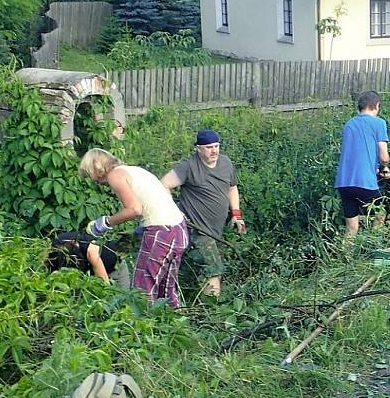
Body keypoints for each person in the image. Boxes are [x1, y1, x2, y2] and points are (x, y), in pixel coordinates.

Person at [79, 148, 189, 308]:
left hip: (161, 233)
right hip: (178, 230)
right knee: (165, 292)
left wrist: (105, 223)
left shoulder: (115, 176)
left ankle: (142, 329)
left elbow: (134, 209)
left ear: (96, 168)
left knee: (141, 289)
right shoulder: (131, 170)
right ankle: (175, 327)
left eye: (90, 174)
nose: (93, 180)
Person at [161, 129, 245, 298]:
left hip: (216, 230)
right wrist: (174, 213)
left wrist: (236, 215)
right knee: (214, 268)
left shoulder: (226, 163)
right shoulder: (189, 166)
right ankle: (213, 312)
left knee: (196, 268)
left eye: (216, 146)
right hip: (198, 229)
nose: (214, 151)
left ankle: (181, 298)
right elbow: (163, 184)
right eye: (208, 147)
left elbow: (232, 187)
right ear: (198, 149)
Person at [334, 90, 390, 237]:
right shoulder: (379, 123)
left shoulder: (349, 125)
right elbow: (384, 157)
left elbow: (358, 153)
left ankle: (345, 257)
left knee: (352, 228)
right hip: (364, 182)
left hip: (344, 183)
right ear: (376, 106)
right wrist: (384, 167)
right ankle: (375, 246)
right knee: (381, 213)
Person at [46, 231, 130, 288]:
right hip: (90, 272)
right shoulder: (55, 248)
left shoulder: (91, 251)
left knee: (120, 300)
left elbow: (105, 287)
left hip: (114, 268)